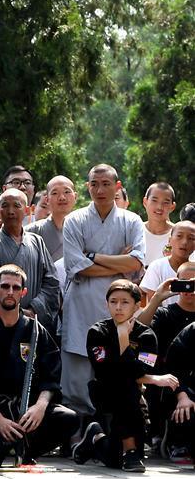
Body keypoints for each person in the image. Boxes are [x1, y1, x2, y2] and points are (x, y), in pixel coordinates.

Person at [0, 264, 77, 467]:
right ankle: (7, 444)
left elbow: (51, 377)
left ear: (23, 293)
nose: (10, 292)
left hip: (26, 408)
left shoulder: (36, 331)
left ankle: (25, 448)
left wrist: (40, 407)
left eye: (16, 288)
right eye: (5, 286)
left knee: (68, 418)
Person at [61, 164, 145, 429]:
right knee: (78, 369)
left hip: (118, 306)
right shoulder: (75, 220)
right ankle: (75, 432)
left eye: (106, 184)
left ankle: (112, 431)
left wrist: (93, 257)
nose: (100, 189)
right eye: (94, 184)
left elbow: (137, 263)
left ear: (117, 186)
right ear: (88, 187)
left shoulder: (131, 220)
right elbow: (75, 265)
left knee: (117, 367)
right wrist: (121, 261)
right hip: (82, 302)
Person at [72, 280, 179, 472]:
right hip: (105, 393)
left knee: (115, 460)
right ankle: (129, 450)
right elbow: (106, 372)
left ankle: (95, 437)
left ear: (137, 305)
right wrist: (152, 379)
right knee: (123, 385)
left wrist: (124, 340)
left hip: (134, 399)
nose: (118, 307)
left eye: (125, 302)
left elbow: (140, 370)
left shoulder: (146, 335)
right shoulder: (98, 332)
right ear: (107, 304)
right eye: (113, 302)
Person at [0, 189, 60, 333]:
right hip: (2, 323)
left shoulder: (37, 241)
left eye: (16, 205)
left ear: (27, 210)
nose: (10, 211)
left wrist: (34, 309)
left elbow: (51, 281)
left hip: (36, 320)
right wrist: (16, 312)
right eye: (5, 206)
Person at [139, 260, 195, 459]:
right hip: (162, 378)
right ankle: (161, 434)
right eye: (184, 282)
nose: (189, 288)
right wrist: (156, 298)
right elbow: (136, 330)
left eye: (194, 283)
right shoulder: (164, 314)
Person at [162, 321, 195, 469]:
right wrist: (182, 396)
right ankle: (177, 442)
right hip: (186, 394)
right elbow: (172, 369)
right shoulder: (191, 331)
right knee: (186, 410)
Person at [140, 221, 195, 306]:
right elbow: (152, 304)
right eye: (179, 236)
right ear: (169, 240)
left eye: (191, 238)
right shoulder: (157, 267)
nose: (184, 242)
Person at [27, 175, 77, 262]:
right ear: (47, 200)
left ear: (75, 197)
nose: (62, 197)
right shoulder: (31, 231)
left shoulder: (85, 228)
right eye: (55, 193)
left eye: (67, 192)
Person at [141, 182, 177, 268]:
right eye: (154, 200)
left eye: (165, 202)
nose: (159, 207)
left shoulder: (179, 234)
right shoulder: (135, 230)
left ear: (172, 206)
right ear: (145, 202)